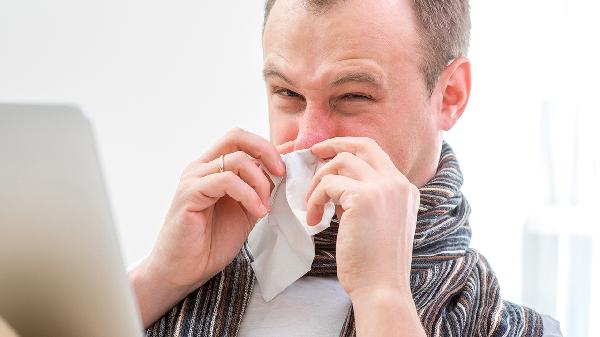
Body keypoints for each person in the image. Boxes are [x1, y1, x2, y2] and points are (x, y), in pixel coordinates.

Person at [129, 0, 562, 336]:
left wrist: (383, 298)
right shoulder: (154, 294)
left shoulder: (522, 328)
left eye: (353, 96)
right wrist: (158, 281)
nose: (308, 140)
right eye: (287, 94)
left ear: (450, 95)